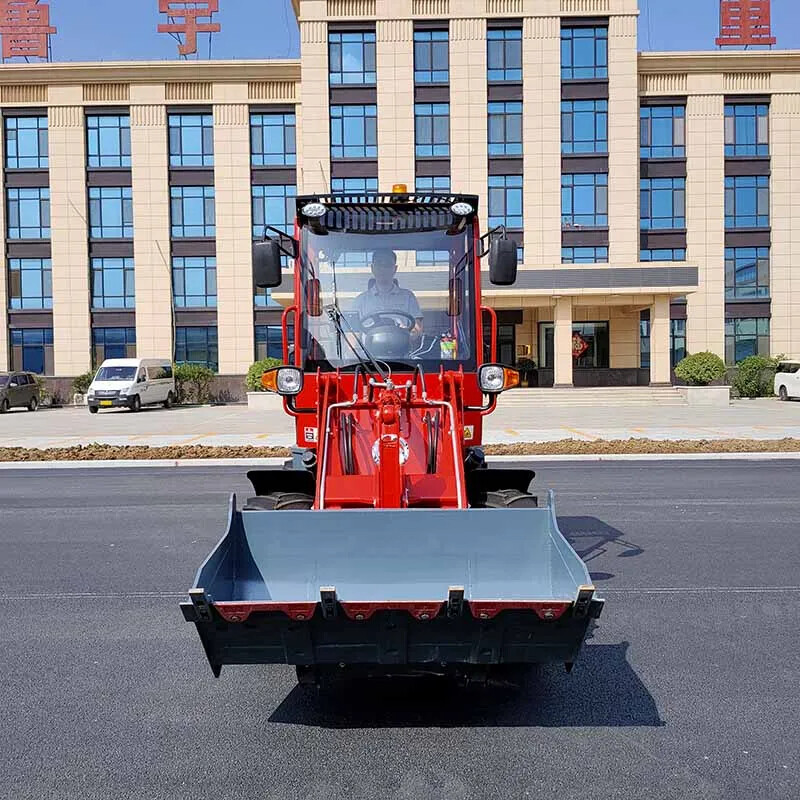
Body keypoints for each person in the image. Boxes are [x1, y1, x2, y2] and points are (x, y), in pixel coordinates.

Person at [352, 249, 423, 336]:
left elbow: (417, 329)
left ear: (395, 268)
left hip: (401, 348)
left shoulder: (408, 296)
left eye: (388, 265)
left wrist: (407, 332)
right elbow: (352, 335)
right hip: (368, 349)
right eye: (379, 264)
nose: (383, 268)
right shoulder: (360, 300)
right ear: (372, 268)